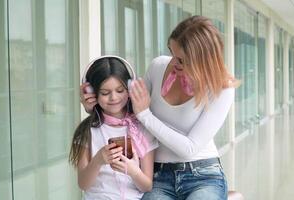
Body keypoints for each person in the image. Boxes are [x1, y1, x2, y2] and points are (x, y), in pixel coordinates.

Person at [81, 15, 238, 200]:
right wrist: (92, 107)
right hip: (158, 175)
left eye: (181, 60)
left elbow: (189, 148)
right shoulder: (158, 66)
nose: (173, 63)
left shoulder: (222, 88)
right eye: (172, 53)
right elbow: (127, 112)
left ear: (201, 61)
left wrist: (146, 115)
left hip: (202, 173)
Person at [70, 56, 158, 200]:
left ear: (130, 88)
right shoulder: (88, 131)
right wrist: (98, 160)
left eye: (120, 90)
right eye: (105, 93)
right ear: (92, 93)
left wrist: (133, 171)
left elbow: (147, 186)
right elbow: (83, 184)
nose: (114, 98)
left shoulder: (143, 129)